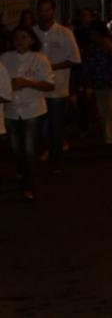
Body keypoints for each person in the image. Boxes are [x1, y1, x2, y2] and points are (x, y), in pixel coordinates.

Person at [2, 25, 55, 200]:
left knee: (30, 149)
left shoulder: (39, 59)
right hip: (11, 110)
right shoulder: (5, 58)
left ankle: (28, 185)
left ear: (32, 40)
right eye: (16, 37)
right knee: (16, 148)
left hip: (33, 109)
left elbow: (49, 84)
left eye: (24, 37)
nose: (19, 41)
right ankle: (22, 171)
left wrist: (27, 83)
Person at [33, 0, 81, 171]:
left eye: (47, 10)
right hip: (37, 87)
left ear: (53, 11)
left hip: (57, 88)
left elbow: (75, 59)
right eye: (41, 10)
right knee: (39, 125)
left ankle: (56, 160)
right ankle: (46, 151)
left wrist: (52, 66)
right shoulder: (33, 32)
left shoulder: (64, 32)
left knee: (56, 125)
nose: (44, 13)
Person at [82, 20, 112, 145]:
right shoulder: (91, 48)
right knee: (102, 111)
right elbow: (88, 66)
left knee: (111, 110)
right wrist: (88, 83)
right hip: (99, 82)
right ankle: (107, 133)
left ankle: (109, 138)